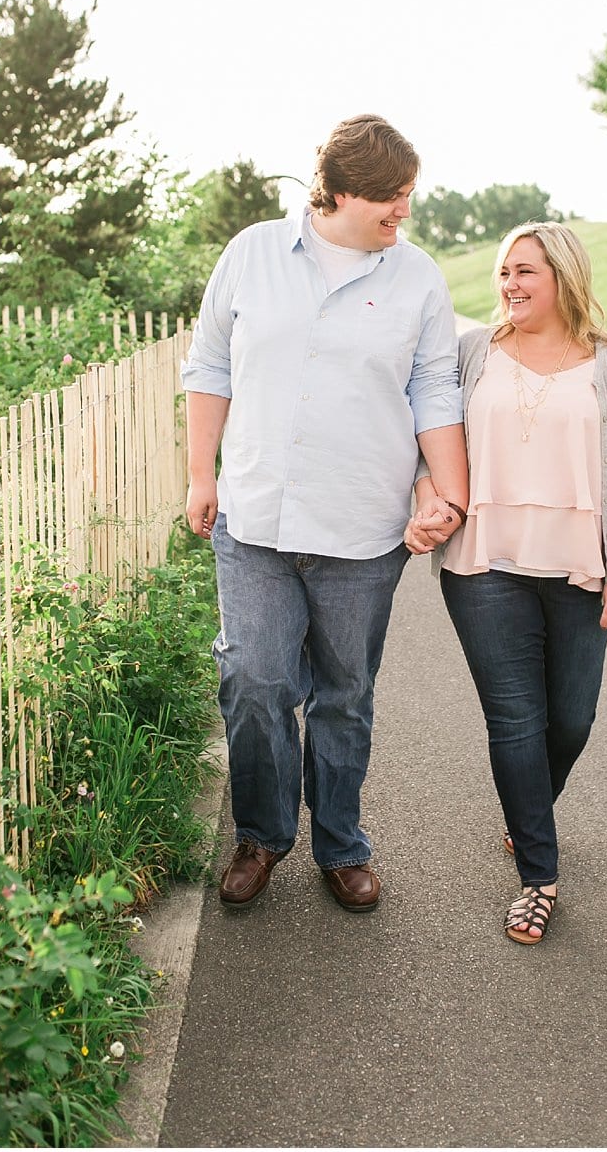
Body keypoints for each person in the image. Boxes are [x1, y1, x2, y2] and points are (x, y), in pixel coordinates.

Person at [182, 114, 467, 915]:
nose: (402, 216)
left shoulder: (418, 279)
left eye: (408, 200)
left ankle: (341, 843)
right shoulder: (251, 255)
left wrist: (446, 490)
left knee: (345, 692)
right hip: (256, 517)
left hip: (362, 528)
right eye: (391, 201)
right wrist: (199, 475)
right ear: (340, 191)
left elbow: (435, 388)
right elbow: (209, 366)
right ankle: (263, 835)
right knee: (254, 679)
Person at [418, 221, 607, 945]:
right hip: (484, 561)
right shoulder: (472, 355)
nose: (511, 285)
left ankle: (529, 810)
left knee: (572, 718)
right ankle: (539, 877)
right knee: (515, 719)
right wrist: (431, 496)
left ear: (563, 275)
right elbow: (430, 439)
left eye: (525, 271)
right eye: (503, 273)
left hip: (581, 570)